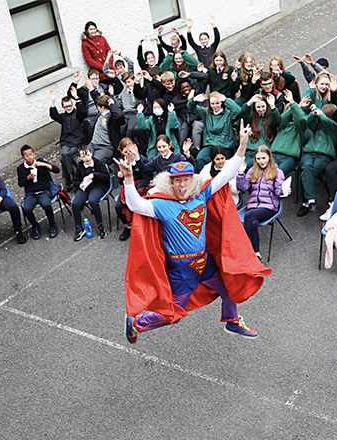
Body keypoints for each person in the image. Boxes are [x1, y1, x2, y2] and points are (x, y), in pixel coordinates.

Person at [120, 124, 271, 343]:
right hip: (181, 269)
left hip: (204, 261)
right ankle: (136, 323)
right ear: (170, 182)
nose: (182, 184)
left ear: (193, 179)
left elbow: (226, 173)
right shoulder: (161, 205)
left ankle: (232, 319)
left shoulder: (200, 194)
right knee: (174, 315)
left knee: (228, 286)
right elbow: (135, 205)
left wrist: (242, 145)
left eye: (186, 179)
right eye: (177, 180)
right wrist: (128, 179)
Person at [237, 146, 285, 260]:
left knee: (249, 216)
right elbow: (243, 188)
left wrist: (284, 190)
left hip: (269, 207)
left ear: (269, 157)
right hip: (253, 206)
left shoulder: (277, 172)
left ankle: (239, 248)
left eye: (263, 158)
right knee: (252, 222)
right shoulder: (252, 171)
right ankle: (257, 254)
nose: (261, 161)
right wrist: (240, 173)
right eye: (258, 159)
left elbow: (279, 192)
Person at [298, 104, 337, 217]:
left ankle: (305, 203)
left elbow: (329, 124)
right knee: (306, 167)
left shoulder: (336, 128)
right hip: (309, 153)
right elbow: (309, 122)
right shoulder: (317, 127)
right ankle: (311, 199)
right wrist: (313, 114)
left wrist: (320, 114)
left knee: (307, 172)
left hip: (324, 157)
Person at [188, 90, 241, 171]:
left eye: (217, 103)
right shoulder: (206, 113)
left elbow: (238, 111)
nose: (215, 106)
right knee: (200, 159)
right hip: (210, 145)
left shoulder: (228, 114)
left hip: (225, 146)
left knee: (221, 163)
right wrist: (194, 100)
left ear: (221, 103)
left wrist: (226, 100)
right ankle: (199, 181)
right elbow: (191, 107)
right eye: (212, 104)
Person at [17, 145, 60, 240]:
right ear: (23, 158)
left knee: (45, 204)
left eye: (31, 155)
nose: (30, 157)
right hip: (31, 193)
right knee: (26, 208)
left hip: (44, 190)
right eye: (27, 156)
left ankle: (52, 223)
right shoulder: (21, 168)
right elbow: (20, 183)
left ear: (34, 154)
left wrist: (44, 165)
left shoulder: (40, 162)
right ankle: (35, 225)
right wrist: (27, 178)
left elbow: (57, 170)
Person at [49, 84, 87, 191]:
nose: (68, 108)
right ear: (63, 107)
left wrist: (76, 98)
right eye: (66, 106)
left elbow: (83, 112)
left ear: (72, 105)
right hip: (66, 142)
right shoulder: (63, 117)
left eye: (70, 106)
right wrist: (53, 101)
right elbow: (54, 115)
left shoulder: (77, 114)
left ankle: (69, 181)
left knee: (63, 158)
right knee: (65, 154)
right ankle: (74, 178)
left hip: (77, 142)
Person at [115, 139, 152, 241]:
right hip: (127, 185)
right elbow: (120, 182)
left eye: (130, 151)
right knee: (118, 206)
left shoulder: (142, 160)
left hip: (141, 186)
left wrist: (134, 190)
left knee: (139, 205)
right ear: (121, 151)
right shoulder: (120, 161)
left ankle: (142, 227)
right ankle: (128, 226)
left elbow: (147, 178)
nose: (128, 154)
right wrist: (120, 176)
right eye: (126, 151)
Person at [71, 146, 109, 241]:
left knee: (93, 200)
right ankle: (79, 228)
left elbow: (106, 176)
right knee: (75, 203)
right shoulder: (80, 166)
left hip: (98, 186)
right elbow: (75, 180)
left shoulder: (98, 163)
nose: (87, 158)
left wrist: (94, 175)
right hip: (85, 188)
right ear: (80, 158)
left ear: (91, 153)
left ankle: (100, 226)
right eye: (83, 157)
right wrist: (79, 184)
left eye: (88, 155)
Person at [269, 90, 309, 177]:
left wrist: (293, 103)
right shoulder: (282, 126)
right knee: (267, 173)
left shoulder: (300, 128)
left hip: (288, 157)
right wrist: (296, 106)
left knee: (277, 174)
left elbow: (301, 119)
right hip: (274, 155)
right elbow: (282, 118)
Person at [87, 94, 125, 162]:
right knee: (80, 161)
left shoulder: (112, 118)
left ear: (103, 107)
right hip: (93, 144)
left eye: (98, 106)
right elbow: (99, 99)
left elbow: (119, 116)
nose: (97, 108)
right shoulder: (100, 114)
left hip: (105, 147)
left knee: (95, 162)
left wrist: (112, 105)